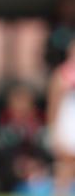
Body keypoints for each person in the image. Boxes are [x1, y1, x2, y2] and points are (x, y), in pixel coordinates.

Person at [47, 37, 75, 195]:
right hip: (68, 124)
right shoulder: (61, 75)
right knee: (65, 166)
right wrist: (53, 130)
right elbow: (53, 104)